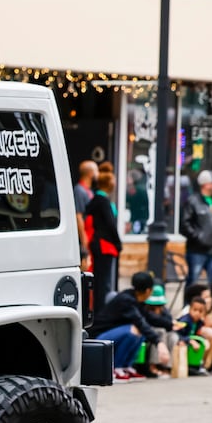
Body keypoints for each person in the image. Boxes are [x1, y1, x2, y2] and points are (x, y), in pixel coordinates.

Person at [88, 271, 161, 382]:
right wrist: (158, 342)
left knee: (140, 332)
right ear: (148, 290)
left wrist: (171, 324)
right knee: (132, 331)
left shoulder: (135, 299)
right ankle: (116, 368)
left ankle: (126, 366)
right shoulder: (126, 300)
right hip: (98, 338)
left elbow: (149, 317)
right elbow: (140, 322)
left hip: (110, 335)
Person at [180, 169, 212, 287]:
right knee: (193, 282)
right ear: (206, 184)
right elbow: (185, 224)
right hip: (197, 250)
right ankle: (189, 305)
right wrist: (199, 237)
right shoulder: (193, 201)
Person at [85, 170, 121, 303]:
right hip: (104, 246)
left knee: (100, 282)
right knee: (103, 283)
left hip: (98, 245)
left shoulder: (96, 200)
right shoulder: (102, 201)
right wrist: (118, 243)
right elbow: (110, 224)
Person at [177, 283, 212, 375]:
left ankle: (201, 365)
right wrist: (189, 340)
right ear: (190, 309)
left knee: (206, 343)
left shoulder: (199, 322)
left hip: (194, 340)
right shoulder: (185, 320)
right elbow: (177, 332)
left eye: (200, 311)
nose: (197, 313)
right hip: (185, 341)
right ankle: (191, 366)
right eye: (195, 310)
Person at [72, 159, 96, 261]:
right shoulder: (79, 190)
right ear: (91, 173)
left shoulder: (88, 190)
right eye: (96, 171)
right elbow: (78, 216)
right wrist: (84, 239)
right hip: (86, 236)